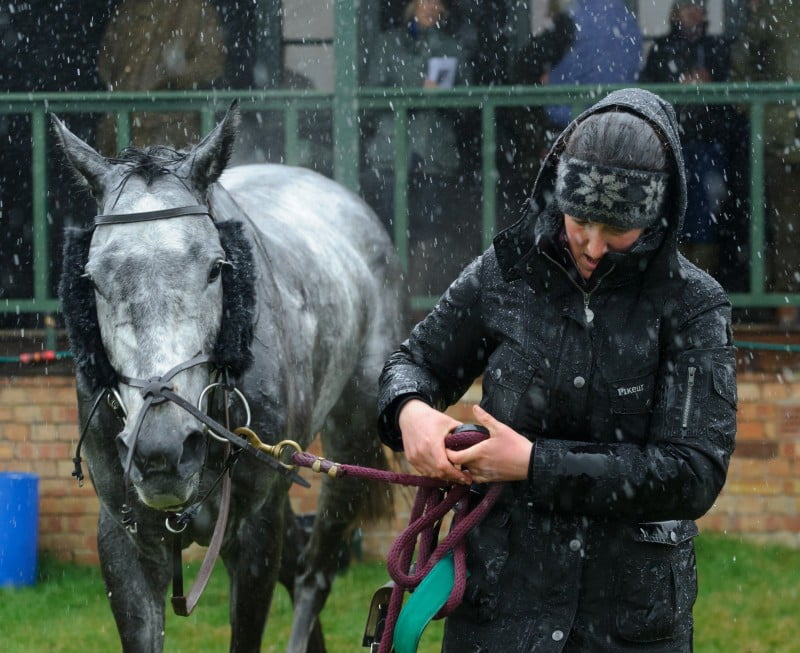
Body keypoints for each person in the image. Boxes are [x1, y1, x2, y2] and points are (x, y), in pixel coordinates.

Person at [377, 88, 737, 651]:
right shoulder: (506, 272)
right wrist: (411, 412)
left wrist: (534, 465)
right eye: (580, 222)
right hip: (499, 612)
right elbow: (412, 363)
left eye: (616, 229)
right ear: (557, 194)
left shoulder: (693, 306)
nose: (592, 245)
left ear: (659, 215)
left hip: (629, 624)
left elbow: (692, 473)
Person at [361, 0, 474, 298]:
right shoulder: (387, 43)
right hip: (390, 152)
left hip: (433, 153)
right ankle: (390, 298)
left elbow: (467, 105)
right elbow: (370, 94)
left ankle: (417, 302)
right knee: (387, 228)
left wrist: (443, 94)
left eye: (436, 2)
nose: (430, 7)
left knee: (427, 232)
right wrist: (415, 87)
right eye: (424, 1)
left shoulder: (452, 47)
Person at [640, 0, 732, 276]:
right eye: (687, 6)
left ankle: (703, 284)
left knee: (707, 216)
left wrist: (711, 83)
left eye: (698, 6)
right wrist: (676, 85)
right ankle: (676, 284)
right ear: (676, 13)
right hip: (672, 144)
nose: (694, 12)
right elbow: (649, 89)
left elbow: (732, 96)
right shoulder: (662, 48)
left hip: (708, 143)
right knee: (673, 215)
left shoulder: (717, 48)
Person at [731, 0, 800, 321]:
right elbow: (740, 59)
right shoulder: (776, 12)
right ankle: (787, 306)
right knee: (786, 225)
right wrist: (762, 109)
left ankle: (787, 305)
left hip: (782, 130)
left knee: (786, 225)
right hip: (783, 136)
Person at [95, 0, 226, 155]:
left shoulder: (194, 7)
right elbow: (106, 63)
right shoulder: (128, 8)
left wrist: (173, 76)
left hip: (168, 130)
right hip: (120, 130)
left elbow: (212, 62)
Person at [542, 0, 642, 133]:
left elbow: (568, 68)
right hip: (620, 114)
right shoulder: (626, 17)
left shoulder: (573, 16)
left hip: (573, 116)